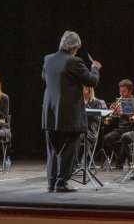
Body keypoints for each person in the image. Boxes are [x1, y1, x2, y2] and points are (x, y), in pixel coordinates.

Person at [42, 31, 101, 192]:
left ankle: (52, 182)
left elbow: (44, 77)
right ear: (74, 47)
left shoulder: (48, 59)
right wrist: (95, 68)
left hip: (50, 112)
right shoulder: (74, 61)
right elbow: (91, 81)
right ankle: (61, 183)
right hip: (68, 114)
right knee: (68, 149)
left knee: (52, 150)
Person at [103, 79, 134, 168]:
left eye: (124, 91)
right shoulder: (119, 102)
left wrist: (122, 113)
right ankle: (122, 157)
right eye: (120, 91)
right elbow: (114, 120)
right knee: (107, 138)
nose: (121, 94)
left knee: (125, 138)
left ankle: (121, 158)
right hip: (121, 129)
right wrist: (113, 114)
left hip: (131, 129)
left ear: (130, 91)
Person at [78, 86, 107, 163]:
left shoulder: (97, 102)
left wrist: (86, 104)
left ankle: (84, 162)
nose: (82, 89)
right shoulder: (78, 101)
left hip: (90, 130)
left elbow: (97, 119)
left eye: (84, 87)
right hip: (79, 128)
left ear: (89, 90)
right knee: (71, 136)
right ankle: (72, 163)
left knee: (81, 136)